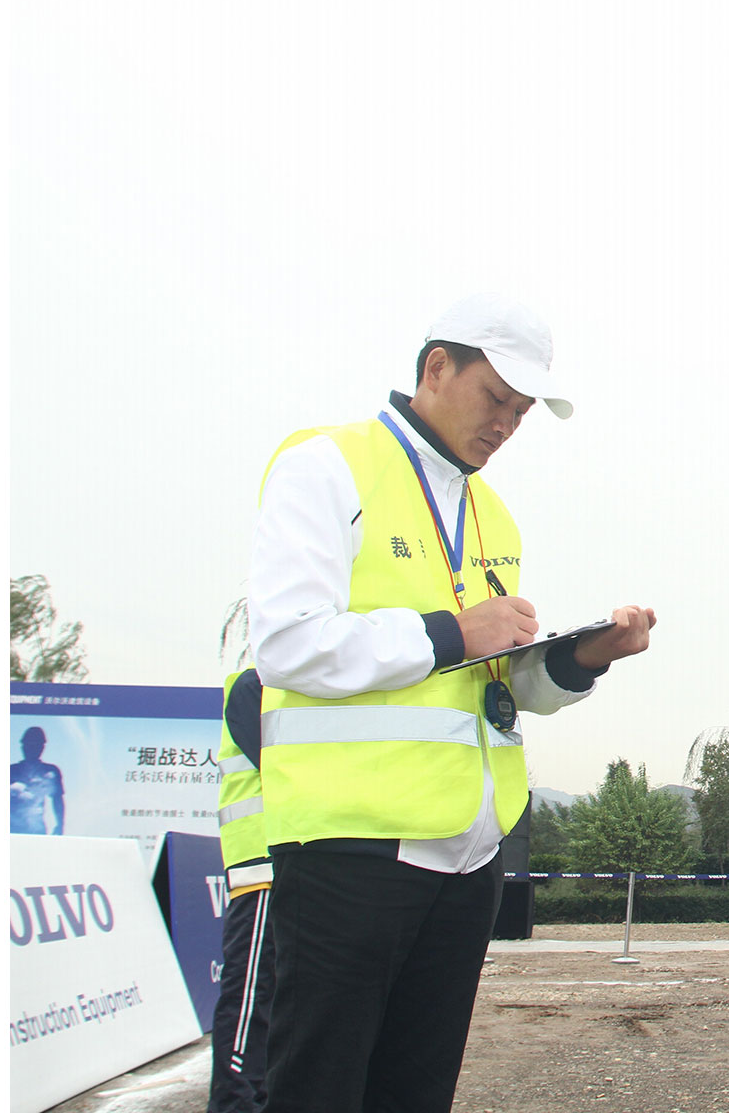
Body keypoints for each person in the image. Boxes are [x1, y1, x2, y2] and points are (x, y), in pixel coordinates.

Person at [245, 293, 656, 1113]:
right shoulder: (326, 463)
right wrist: (449, 633)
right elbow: (287, 643)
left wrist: (580, 660)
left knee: (415, 1093)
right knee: (317, 1089)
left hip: (466, 857)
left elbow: (497, 686)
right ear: (437, 367)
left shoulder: (488, 511)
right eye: (495, 398)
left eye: (523, 409)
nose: (506, 423)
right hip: (350, 852)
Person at [208, 669, 273, 1113]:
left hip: (297, 860)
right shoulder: (255, 687)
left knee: (282, 997)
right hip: (262, 865)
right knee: (252, 992)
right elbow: (287, 769)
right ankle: (235, 1102)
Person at [10, 726, 65, 834]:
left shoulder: (50, 771)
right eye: (29, 744)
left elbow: (57, 800)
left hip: (36, 831)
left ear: (42, 747)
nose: (31, 748)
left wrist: (60, 825)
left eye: (35, 745)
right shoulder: (11, 771)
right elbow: (57, 800)